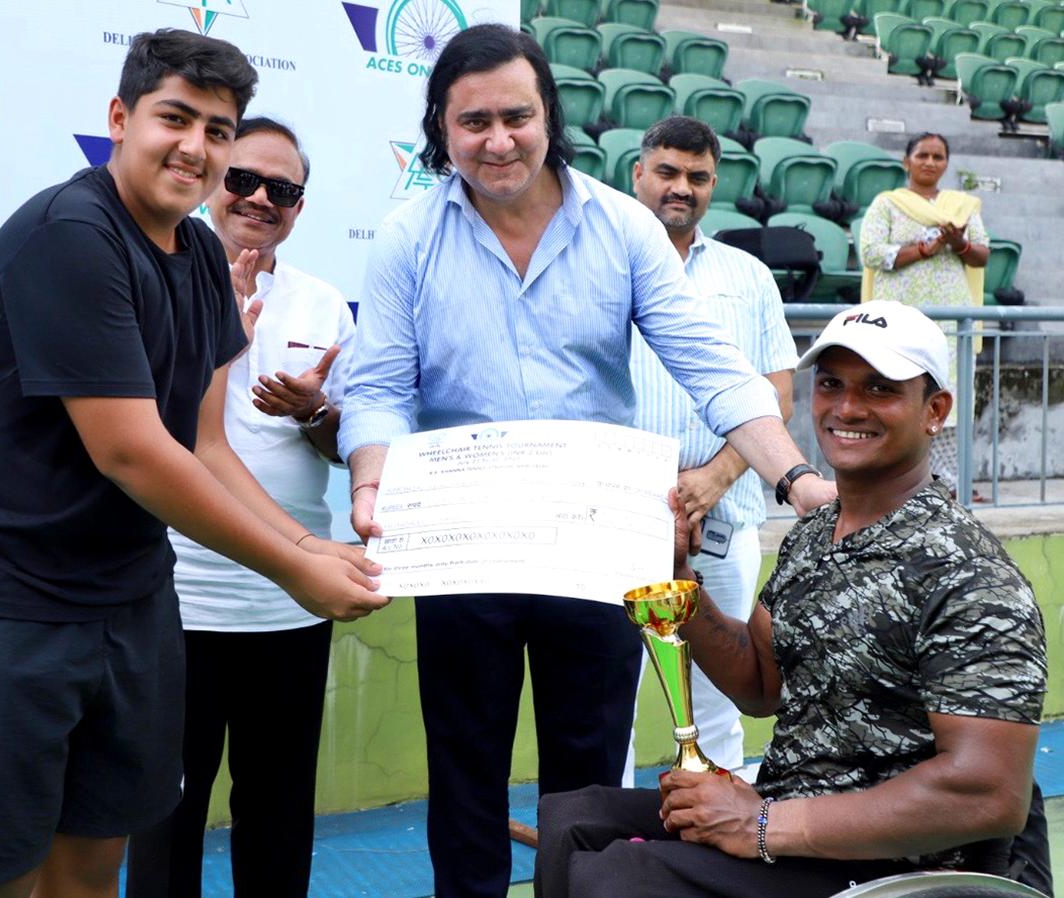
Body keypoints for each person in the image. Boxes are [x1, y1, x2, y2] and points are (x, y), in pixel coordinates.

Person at [339, 23, 835, 898]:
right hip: (464, 547)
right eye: (474, 122)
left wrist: (796, 478)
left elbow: (713, 369)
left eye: (517, 117)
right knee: (463, 768)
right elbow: (378, 384)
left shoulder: (622, 227)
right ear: (440, 130)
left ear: (550, 116)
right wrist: (371, 477)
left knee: (588, 780)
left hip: (594, 546)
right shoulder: (408, 237)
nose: (498, 141)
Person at [0, 32, 386, 898]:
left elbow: (203, 442)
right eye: (175, 118)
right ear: (120, 120)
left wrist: (309, 553)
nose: (196, 147)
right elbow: (130, 449)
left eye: (219, 129)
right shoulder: (70, 235)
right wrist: (295, 569)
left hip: (125, 599)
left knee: (92, 864)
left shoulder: (199, 259)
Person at [535, 301, 1048, 898]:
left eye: (879, 389)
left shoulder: (969, 575)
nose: (847, 408)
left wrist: (761, 824)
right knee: (571, 820)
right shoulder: (814, 534)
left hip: (899, 865)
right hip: (791, 818)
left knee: (622, 877)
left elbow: (989, 795)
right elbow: (760, 682)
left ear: (935, 411)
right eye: (832, 384)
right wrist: (679, 580)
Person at [125, 117, 352, 898]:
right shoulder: (146, 278)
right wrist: (205, 338)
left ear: (299, 205)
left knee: (281, 814)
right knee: (163, 815)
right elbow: (133, 436)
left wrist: (316, 413)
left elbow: (341, 447)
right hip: (174, 598)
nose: (260, 199)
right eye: (244, 180)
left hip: (291, 603)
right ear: (212, 175)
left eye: (282, 190)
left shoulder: (325, 305)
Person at [628, 115, 796, 773]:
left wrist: (717, 477)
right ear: (637, 174)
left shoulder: (747, 277)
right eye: (667, 172)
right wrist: (661, 490)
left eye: (698, 177)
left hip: (723, 518)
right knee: (610, 691)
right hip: (620, 514)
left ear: (714, 184)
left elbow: (776, 397)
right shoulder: (601, 268)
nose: (682, 187)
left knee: (725, 691)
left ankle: (718, 841)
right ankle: (595, 856)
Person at [858, 132, 990, 493]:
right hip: (901, 323)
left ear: (946, 164)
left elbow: (982, 254)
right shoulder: (887, 204)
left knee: (947, 396)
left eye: (938, 156)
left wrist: (958, 243)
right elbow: (870, 252)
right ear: (907, 161)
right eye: (922, 155)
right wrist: (923, 250)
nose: (930, 162)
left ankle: (950, 483)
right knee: (900, 395)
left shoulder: (962, 207)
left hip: (950, 320)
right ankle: (897, 482)